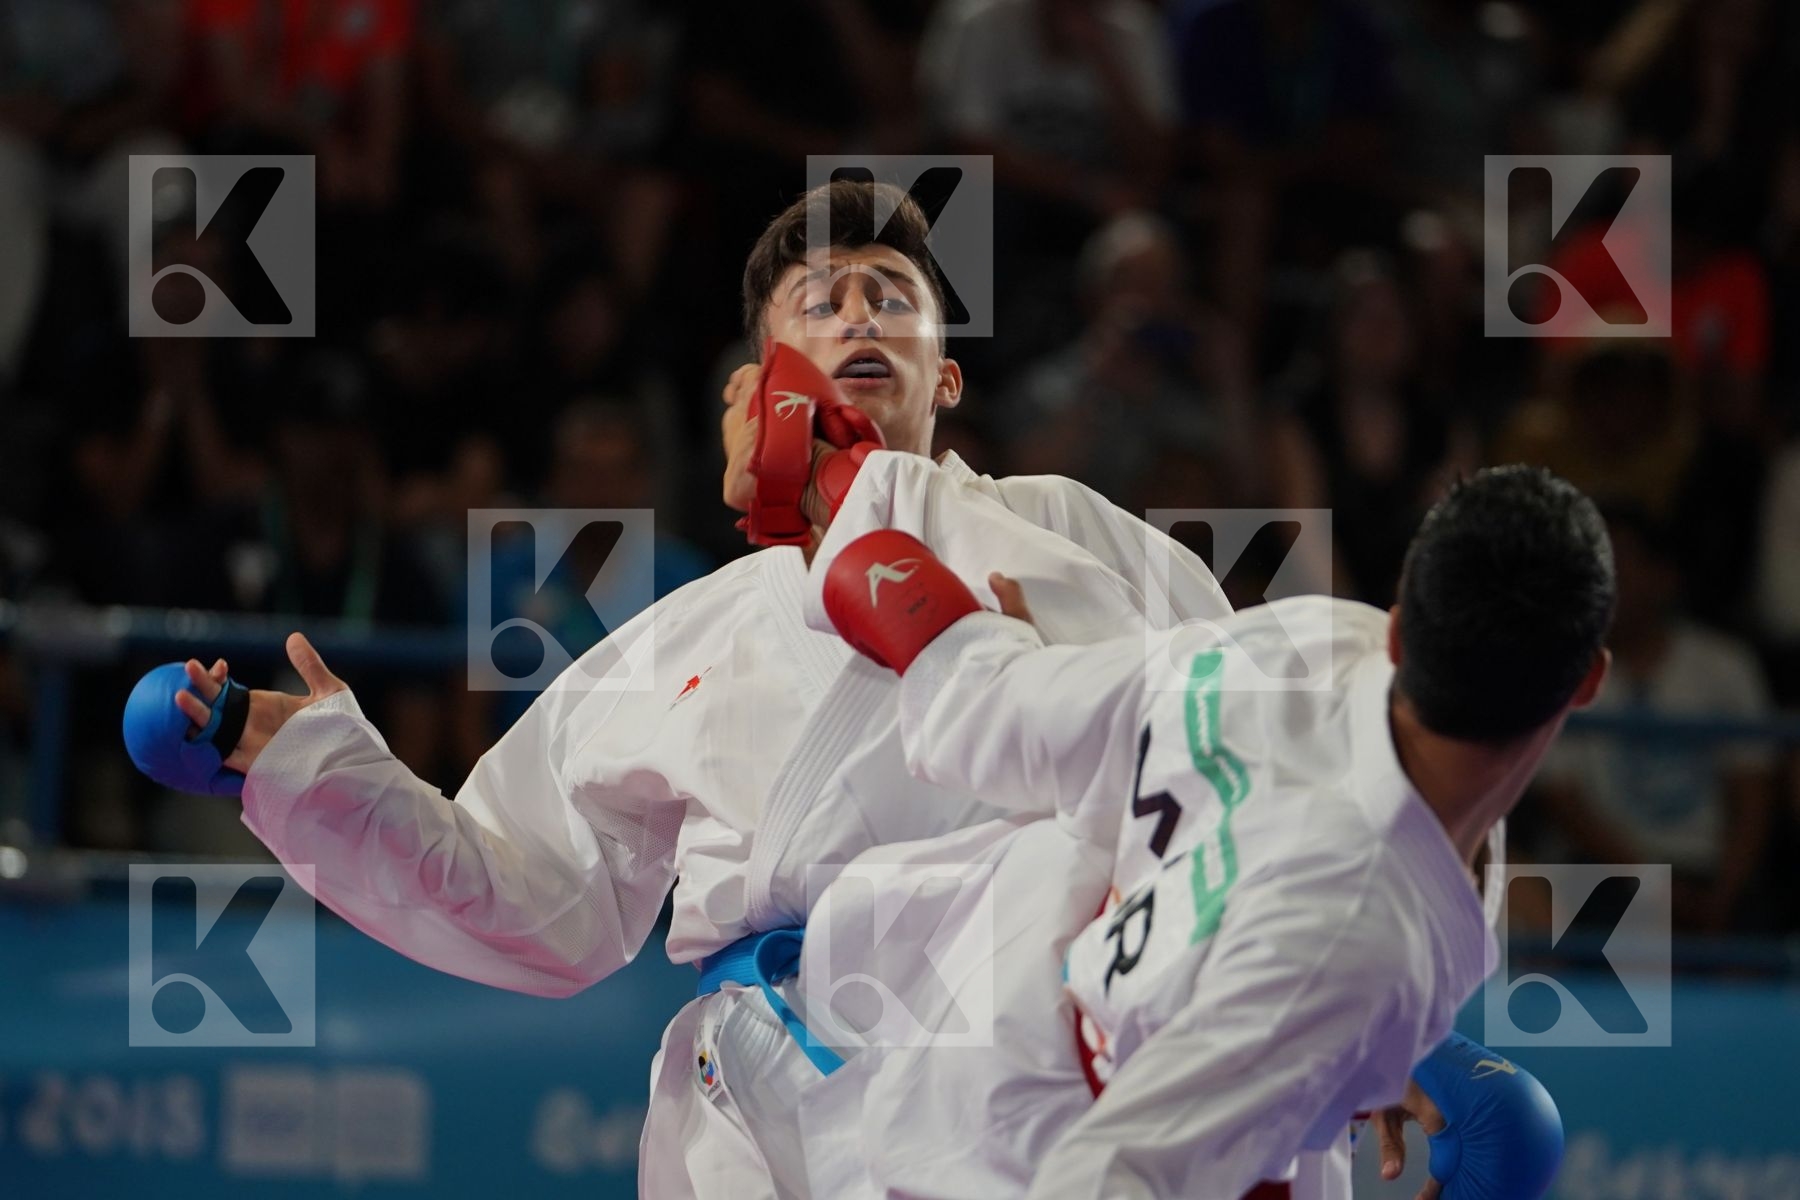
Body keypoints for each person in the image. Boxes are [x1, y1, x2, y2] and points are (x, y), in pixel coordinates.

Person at [142, 179, 1230, 1199]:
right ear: (759, 379)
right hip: (754, 1096)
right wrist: (323, 767)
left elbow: (1240, 767)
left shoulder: (1075, 537)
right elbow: (537, 896)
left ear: (946, 374)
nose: (858, 316)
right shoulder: (689, 633)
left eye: (892, 299)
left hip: (1005, 1064)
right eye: (823, 301)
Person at [794, 461, 1608, 1199]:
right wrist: (1346, 1029)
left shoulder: (1315, 641)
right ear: (1588, 683)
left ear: (1400, 628)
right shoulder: (1361, 941)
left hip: (1002, 1031)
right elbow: (1109, 1177)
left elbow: (990, 710)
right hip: (1038, 1161)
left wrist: (895, 574)